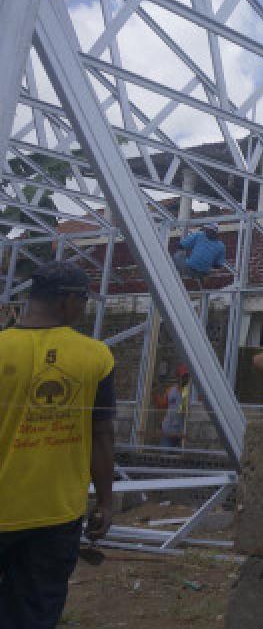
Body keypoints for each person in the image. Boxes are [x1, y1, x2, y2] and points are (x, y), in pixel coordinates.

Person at [0, 262, 114, 627]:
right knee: (35, 612)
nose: (84, 309)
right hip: (56, 514)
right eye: (83, 301)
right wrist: (106, 501)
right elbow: (102, 435)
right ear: (68, 301)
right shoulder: (95, 357)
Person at [160, 366, 190, 448]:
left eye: (186, 376)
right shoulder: (170, 390)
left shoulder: (190, 393)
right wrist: (155, 395)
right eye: (183, 376)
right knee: (165, 455)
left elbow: (184, 409)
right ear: (178, 377)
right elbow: (162, 406)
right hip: (168, 430)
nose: (185, 379)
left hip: (182, 431)